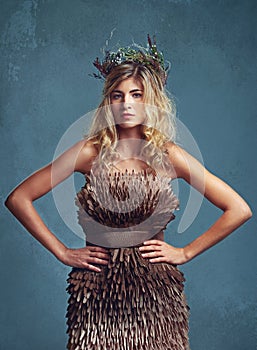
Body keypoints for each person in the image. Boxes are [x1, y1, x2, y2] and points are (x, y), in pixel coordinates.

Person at [5, 35, 252, 350]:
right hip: (96, 292)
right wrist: (63, 252)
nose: (127, 104)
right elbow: (18, 198)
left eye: (137, 95)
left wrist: (186, 252)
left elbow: (238, 208)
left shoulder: (169, 154)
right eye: (118, 96)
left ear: (151, 100)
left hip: (156, 294)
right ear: (108, 102)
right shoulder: (88, 152)